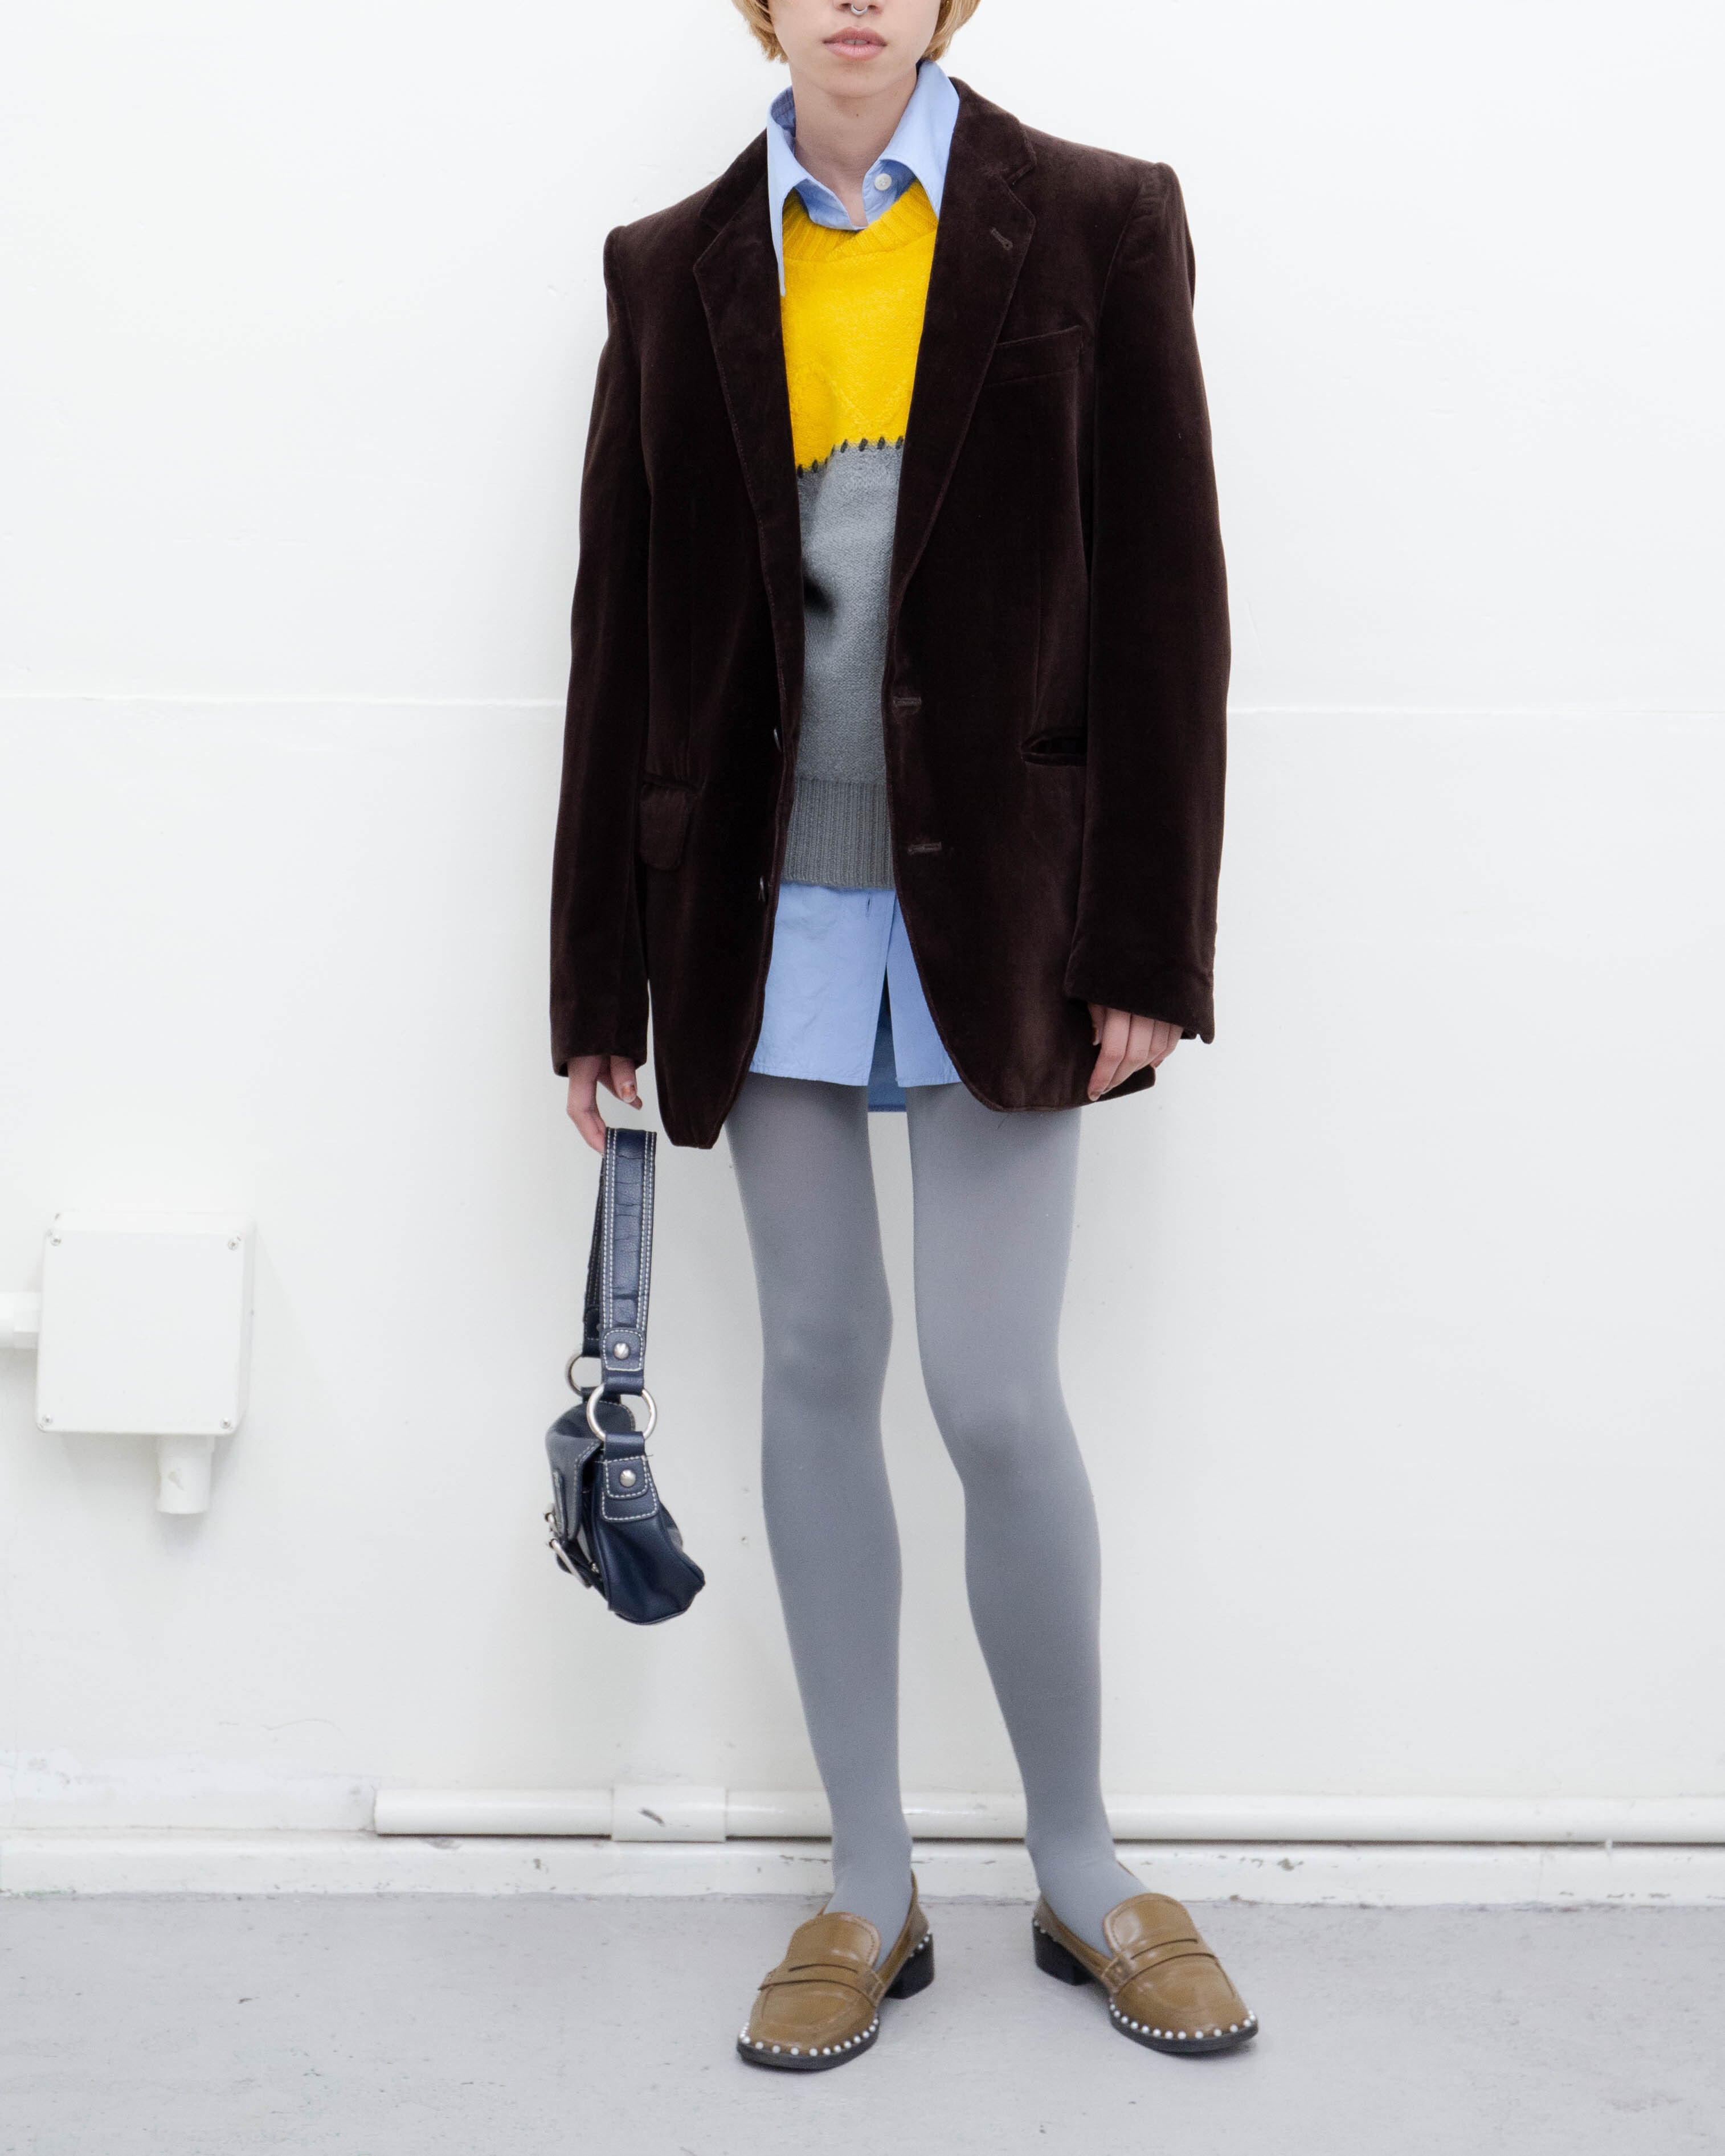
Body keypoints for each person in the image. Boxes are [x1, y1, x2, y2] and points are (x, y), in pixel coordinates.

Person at [553, 0, 1252, 2071]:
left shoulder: (1098, 222)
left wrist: (1148, 936)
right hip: (756, 902)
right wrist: (594, 975)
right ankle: (867, 1879)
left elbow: (1168, 603)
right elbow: (619, 630)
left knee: (994, 1391)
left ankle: (1081, 1859)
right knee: (810, 1360)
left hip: (1007, 909)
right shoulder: (669, 266)